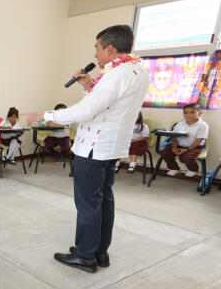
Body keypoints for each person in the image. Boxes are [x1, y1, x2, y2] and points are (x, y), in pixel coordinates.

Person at [29, 24, 151, 273]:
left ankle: (85, 256)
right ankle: (98, 251)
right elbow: (110, 103)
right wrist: (89, 85)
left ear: (109, 48)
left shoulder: (116, 74)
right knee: (104, 199)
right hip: (112, 147)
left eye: (97, 47)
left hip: (94, 147)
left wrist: (45, 115)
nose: (95, 54)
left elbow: (86, 110)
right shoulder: (137, 70)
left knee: (88, 203)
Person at [159, 103, 208, 177]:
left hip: (195, 147)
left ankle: (193, 170)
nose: (188, 115)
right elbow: (174, 137)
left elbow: (199, 141)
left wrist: (186, 150)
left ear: (199, 113)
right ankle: (174, 168)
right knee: (164, 152)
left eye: (192, 112)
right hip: (179, 145)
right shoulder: (179, 124)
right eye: (185, 113)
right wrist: (174, 147)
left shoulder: (203, 125)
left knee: (186, 157)